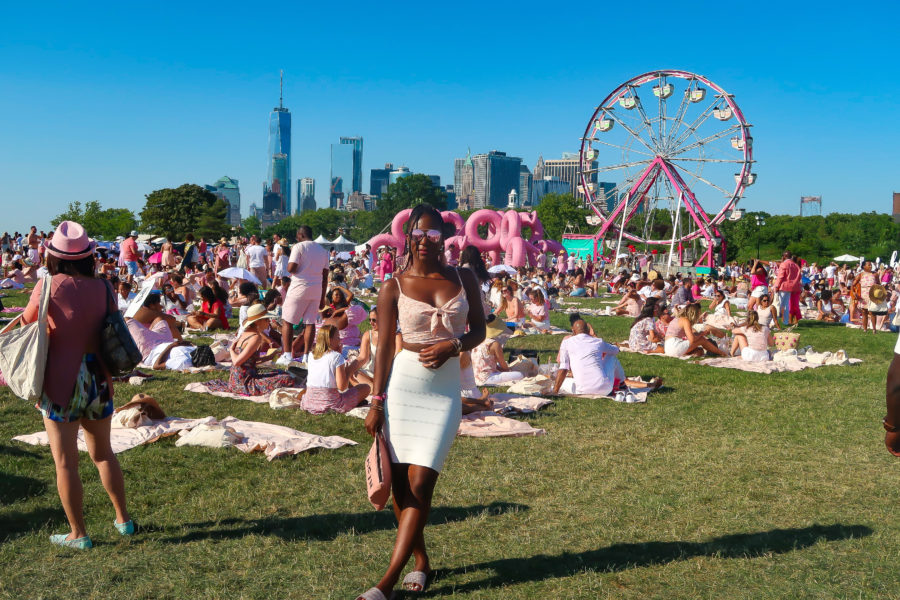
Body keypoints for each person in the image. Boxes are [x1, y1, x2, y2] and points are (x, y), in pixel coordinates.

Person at [360, 204, 486, 599]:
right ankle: (421, 562)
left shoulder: (463, 276)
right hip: (403, 386)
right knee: (401, 489)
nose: (426, 242)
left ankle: (386, 582)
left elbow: (479, 331)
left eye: (434, 236)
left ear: (444, 240)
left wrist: (454, 344)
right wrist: (376, 401)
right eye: (419, 235)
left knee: (421, 484)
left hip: (443, 393)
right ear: (407, 238)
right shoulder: (392, 285)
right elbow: (382, 350)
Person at [19, 221, 132, 549]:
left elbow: (28, 321)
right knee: (104, 454)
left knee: (65, 461)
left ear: (53, 255)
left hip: (60, 381)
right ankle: (123, 519)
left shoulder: (48, 285)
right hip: (98, 377)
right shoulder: (104, 287)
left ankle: (78, 533)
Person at [205, 305, 296, 396]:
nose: (269, 321)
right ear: (257, 322)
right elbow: (237, 362)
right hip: (244, 383)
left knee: (281, 373)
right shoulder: (255, 338)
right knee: (287, 378)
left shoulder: (246, 333)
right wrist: (232, 350)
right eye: (266, 319)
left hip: (236, 381)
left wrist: (269, 357)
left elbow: (249, 361)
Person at [552, 319, 660, 395]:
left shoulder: (567, 342)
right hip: (604, 388)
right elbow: (616, 350)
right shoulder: (597, 341)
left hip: (581, 390)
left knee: (561, 383)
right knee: (612, 357)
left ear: (573, 331)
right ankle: (622, 383)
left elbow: (563, 368)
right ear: (588, 331)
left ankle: (623, 383)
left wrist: (555, 391)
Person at [281, 226, 329, 363]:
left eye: (297, 236)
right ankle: (307, 356)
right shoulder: (323, 251)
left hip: (299, 288)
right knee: (310, 322)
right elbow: (325, 276)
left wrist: (290, 257)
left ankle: (287, 354)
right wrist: (322, 298)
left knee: (287, 321)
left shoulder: (298, 247)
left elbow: (291, 268)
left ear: (300, 235)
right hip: (316, 289)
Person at [300, 324, 370, 414]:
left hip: (309, 401)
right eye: (337, 337)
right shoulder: (336, 357)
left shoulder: (311, 355)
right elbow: (342, 387)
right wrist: (349, 371)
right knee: (365, 388)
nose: (340, 340)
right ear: (330, 340)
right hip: (331, 404)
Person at [774, 251, 802, 326]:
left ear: (784, 256)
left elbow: (780, 276)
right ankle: (786, 322)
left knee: (778, 304)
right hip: (791, 287)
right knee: (786, 305)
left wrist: (776, 286)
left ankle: (774, 321)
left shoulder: (784, 264)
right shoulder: (795, 265)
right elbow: (799, 277)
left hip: (783, 286)